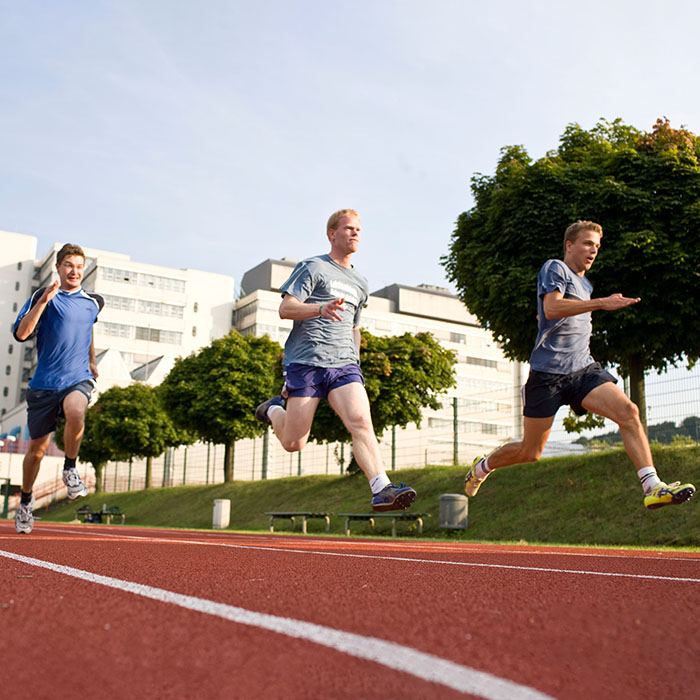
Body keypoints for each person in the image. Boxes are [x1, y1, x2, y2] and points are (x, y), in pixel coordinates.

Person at [464, 220, 695, 510]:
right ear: (569, 245)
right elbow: (552, 307)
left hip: (583, 370)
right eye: (587, 243)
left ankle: (653, 486)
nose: (593, 250)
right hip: (547, 376)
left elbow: (560, 317)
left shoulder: (585, 284)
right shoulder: (555, 268)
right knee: (531, 451)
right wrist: (600, 303)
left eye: (597, 246)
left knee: (628, 411)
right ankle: (483, 467)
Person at [255, 209, 416, 512]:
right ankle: (275, 409)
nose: (355, 233)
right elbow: (286, 308)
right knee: (294, 443)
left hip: (344, 365)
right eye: (348, 228)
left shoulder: (360, 283)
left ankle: (381, 488)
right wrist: (319, 309)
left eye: (358, 229)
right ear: (332, 233)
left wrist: (355, 362)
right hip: (306, 362)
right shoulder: (313, 267)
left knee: (361, 422)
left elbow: (354, 327)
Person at [12, 244, 104, 533]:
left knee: (77, 409)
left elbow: (88, 327)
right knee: (36, 452)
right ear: (58, 268)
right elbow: (22, 333)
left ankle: (70, 469)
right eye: (68, 265)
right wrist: (42, 302)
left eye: (78, 265)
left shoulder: (93, 302)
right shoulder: (43, 297)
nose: (74, 270)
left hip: (77, 377)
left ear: (83, 269)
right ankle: (26, 502)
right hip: (43, 384)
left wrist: (91, 359)